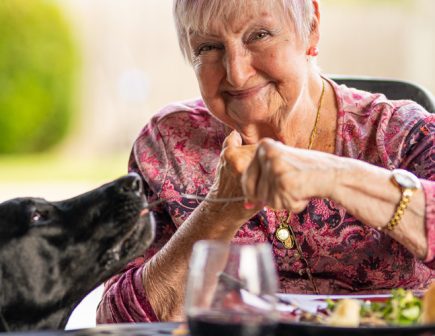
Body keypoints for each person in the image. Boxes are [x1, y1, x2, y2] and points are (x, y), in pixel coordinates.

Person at [97, 0, 435, 323]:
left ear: (311, 27)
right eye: (208, 48)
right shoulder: (169, 144)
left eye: (259, 35)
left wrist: (334, 175)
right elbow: (117, 322)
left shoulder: (400, 134)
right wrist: (219, 209)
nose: (237, 73)